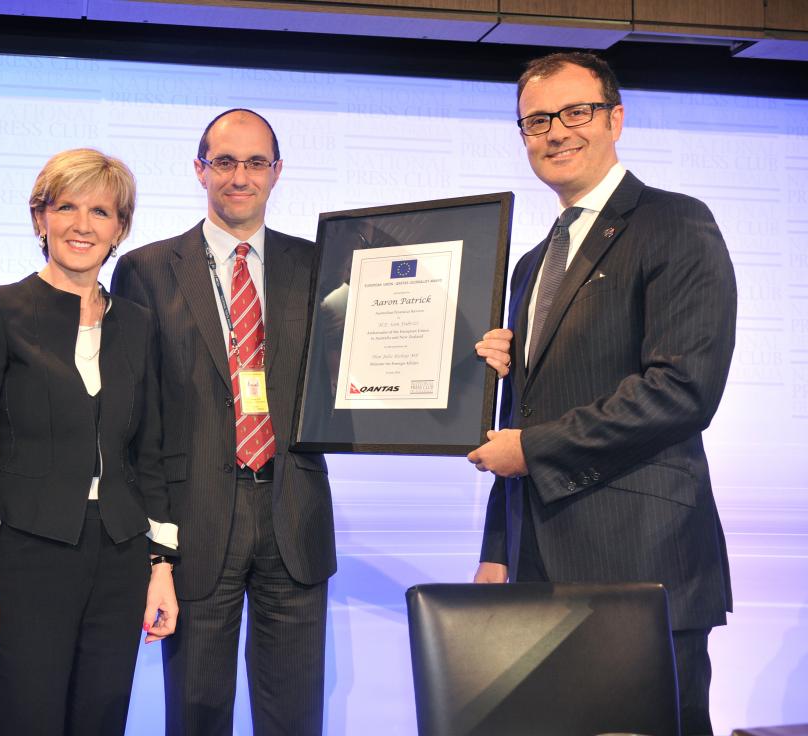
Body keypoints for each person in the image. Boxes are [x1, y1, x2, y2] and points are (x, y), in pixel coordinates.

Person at [112, 108, 513, 735]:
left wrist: (473, 353)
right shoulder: (145, 269)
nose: (239, 176)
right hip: (193, 520)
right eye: (224, 161)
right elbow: (137, 417)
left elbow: (391, 347)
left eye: (255, 162)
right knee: (194, 713)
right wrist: (151, 541)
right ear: (199, 169)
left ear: (277, 173)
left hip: (293, 514)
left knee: (296, 715)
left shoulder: (322, 265)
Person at [467, 52, 735, 736]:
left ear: (615, 119)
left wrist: (532, 449)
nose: (555, 132)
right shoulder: (531, 263)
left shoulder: (675, 223)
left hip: (641, 559)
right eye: (535, 120)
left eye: (574, 112)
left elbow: (682, 389)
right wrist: (498, 546)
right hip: (536, 564)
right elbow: (520, 416)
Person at [0, 148, 178, 735]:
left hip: (120, 557)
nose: (82, 224)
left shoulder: (139, 323)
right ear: (39, 216)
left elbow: (149, 454)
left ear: (120, 228)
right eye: (66, 206)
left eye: (101, 211)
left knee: (101, 722)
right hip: (25, 555)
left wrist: (161, 565)